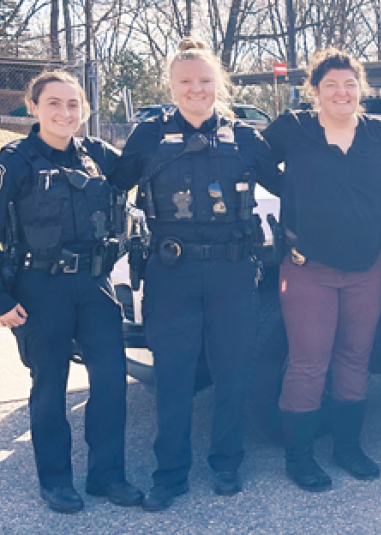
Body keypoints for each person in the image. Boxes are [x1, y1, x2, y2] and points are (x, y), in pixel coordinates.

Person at [112, 38, 278, 511]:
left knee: (232, 373)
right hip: (172, 272)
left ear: (218, 84)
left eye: (204, 81)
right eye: (185, 81)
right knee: (174, 376)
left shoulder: (244, 136)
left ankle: (226, 463)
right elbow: (111, 182)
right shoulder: (148, 135)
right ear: (171, 85)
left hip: (231, 272)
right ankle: (170, 473)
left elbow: (291, 183)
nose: (195, 89)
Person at [0, 71, 142, 514]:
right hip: (40, 286)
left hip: (94, 285)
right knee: (50, 385)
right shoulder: (11, 163)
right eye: (54, 104)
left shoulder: (98, 155)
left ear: (84, 110)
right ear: (34, 108)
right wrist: (0, 300)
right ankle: (56, 481)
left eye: (73, 105)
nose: (66, 113)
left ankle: (107, 476)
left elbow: (140, 167)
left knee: (110, 381)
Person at [262, 48, 381, 492]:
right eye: (331, 85)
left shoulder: (380, 135)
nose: (341, 92)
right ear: (316, 91)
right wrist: (292, 194)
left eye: (349, 84)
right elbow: (256, 160)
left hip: (366, 267)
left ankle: (347, 448)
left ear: (360, 88)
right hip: (308, 268)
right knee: (307, 362)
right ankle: (299, 458)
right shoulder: (295, 129)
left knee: (355, 357)